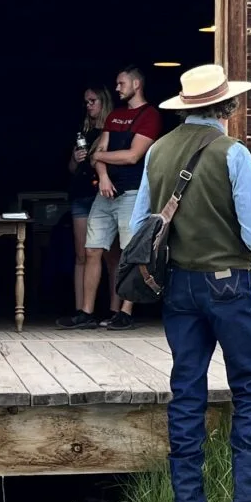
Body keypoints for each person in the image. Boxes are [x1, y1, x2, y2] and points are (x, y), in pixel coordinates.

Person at [130, 62, 251, 502]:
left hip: (178, 286)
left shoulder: (158, 151)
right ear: (228, 106)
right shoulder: (233, 154)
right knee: (249, 393)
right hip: (229, 283)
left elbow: (140, 223)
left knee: (186, 393)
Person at [72, 65, 162, 330]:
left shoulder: (150, 115)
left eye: (121, 83)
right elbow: (97, 151)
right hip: (106, 190)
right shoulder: (115, 116)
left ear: (136, 85)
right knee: (92, 250)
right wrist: (103, 176)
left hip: (133, 192)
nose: (117, 88)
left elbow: (133, 155)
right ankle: (86, 312)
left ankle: (125, 310)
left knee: (128, 252)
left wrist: (99, 157)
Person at [66, 84, 110, 315]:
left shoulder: (111, 129)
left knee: (111, 255)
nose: (89, 105)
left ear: (104, 102)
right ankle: (81, 310)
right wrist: (75, 158)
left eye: (93, 101)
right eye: (86, 102)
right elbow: (72, 169)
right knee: (82, 254)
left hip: (103, 197)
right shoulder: (83, 131)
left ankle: (113, 310)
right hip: (81, 195)